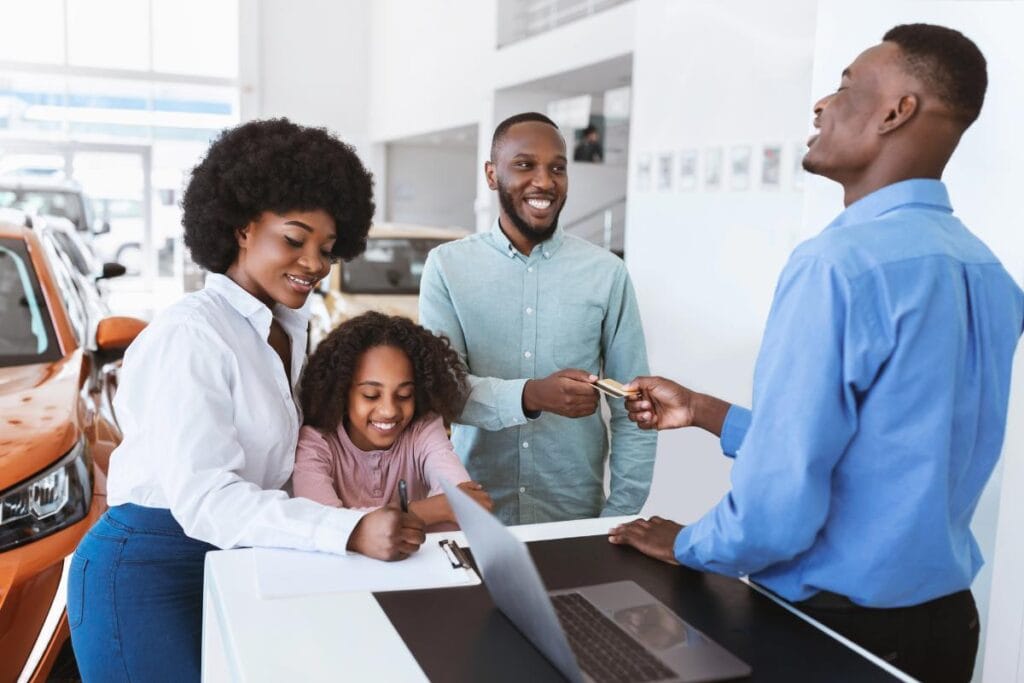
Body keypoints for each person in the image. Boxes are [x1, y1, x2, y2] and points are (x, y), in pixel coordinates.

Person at [608, 24, 1024, 683]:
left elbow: (778, 509)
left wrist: (691, 544)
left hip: (831, 632)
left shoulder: (839, 264)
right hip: (946, 628)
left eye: (845, 87)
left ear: (897, 110)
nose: (821, 105)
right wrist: (708, 411)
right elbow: (890, 458)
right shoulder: (991, 274)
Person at [68, 119, 427, 682]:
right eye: (294, 239)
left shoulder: (290, 330)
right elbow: (208, 498)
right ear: (240, 227)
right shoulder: (193, 335)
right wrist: (347, 531)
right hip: (147, 572)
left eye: (327, 250)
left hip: (239, 558)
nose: (313, 263)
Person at [419, 112, 656, 524]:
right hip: (473, 510)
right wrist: (530, 395)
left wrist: (618, 515)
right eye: (525, 165)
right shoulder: (447, 267)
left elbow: (634, 405)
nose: (544, 181)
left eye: (557, 168)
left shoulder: (607, 272)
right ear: (492, 175)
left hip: (574, 514)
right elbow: (444, 391)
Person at [292, 311, 493, 529]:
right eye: (371, 395)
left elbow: (461, 504)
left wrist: (448, 506)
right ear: (341, 391)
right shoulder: (315, 442)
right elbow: (319, 522)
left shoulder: (423, 428)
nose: (389, 411)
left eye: (404, 395)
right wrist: (427, 511)